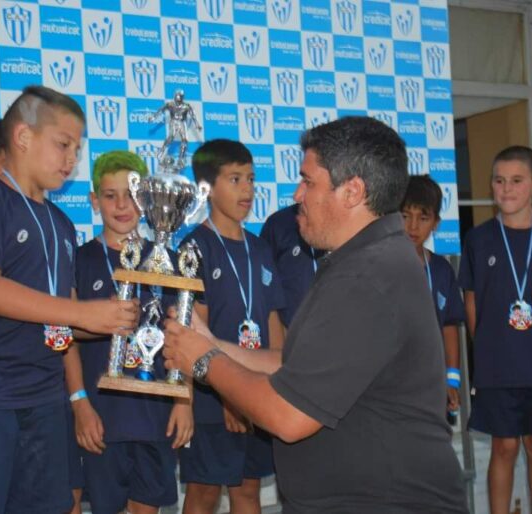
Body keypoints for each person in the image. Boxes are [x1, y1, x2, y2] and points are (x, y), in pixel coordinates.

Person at [163, 116, 467, 513]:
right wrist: (213, 344)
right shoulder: (364, 262)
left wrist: (203, 360)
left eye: (308, 181)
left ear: (352, 191)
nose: (295, 194)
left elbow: (288, 414)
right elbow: (293, 365)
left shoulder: (368, 275)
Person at [0, 85, 140, 514]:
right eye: (63, 144)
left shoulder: (61, 223)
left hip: (43, 398)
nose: (71, 159)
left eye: (77, 149)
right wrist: (82, 312)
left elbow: (56, 314)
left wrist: (113, 320)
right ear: (23, 138)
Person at [65, 150, 193, 514]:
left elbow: (182, 334)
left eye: (131, 194)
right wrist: (80, 403)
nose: (121, 205)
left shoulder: (167, 262)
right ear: (94, 201)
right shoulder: (78, 260)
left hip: (154, 415)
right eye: (109, 195)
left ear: (147, 200)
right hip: (101, 415)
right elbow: (65, 340)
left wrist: (184, 399)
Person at [458, 146, 532, 514]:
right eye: (499, 180)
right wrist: (492, 346)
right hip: (498, 364)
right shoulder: (478, 240)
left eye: (516, 181)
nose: (506, 189)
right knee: (504, 446)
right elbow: (472, 302)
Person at [177, 139, 286, 514]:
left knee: (247, 489)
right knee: (204, 492)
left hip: (259, 390)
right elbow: (193, 334)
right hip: (213, 395)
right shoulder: (194, 248)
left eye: (252, 179)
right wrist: (229, 395)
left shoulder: (261, 248)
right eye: (235, 179)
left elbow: (273, 324)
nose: (247, 189)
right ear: (207, 188)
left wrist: (280, 386)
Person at [400, 175, 466, 420]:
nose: (413, 226)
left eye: (423, 217)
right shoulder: (378, 265)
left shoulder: (441, 270)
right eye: (405, 216)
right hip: (390, 388)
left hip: (432, 386)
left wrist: (452, 379)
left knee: (432, 454)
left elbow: (449, 325)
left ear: (436, 223)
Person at [259, 203, 324, 327]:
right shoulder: (279, 223)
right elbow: (265, 290)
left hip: (341, 331)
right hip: (292, 336)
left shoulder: (348, 221)